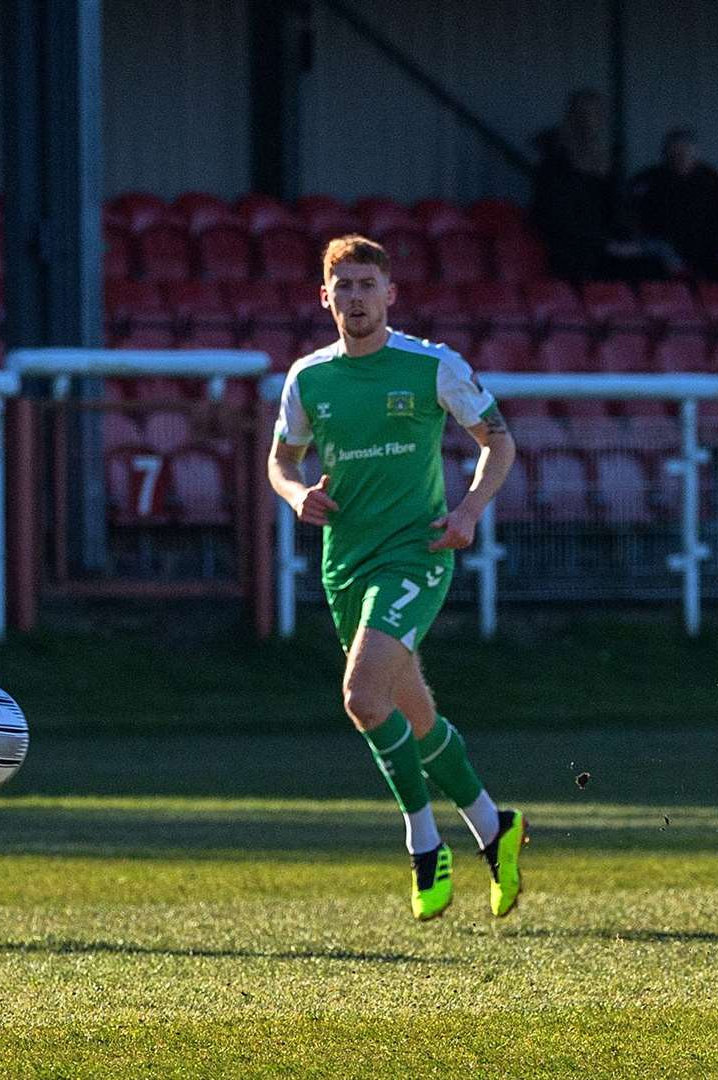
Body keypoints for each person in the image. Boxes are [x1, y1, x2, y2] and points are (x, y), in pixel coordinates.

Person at [268, 234, 526, 921]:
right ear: (324, 297)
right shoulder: (307, 378)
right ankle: (493, 827)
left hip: (415, 554)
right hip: (343, 563)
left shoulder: (432, 366)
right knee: (413, 716)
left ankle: (422, 842)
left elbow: (497, 440)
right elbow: (281, 460)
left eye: (366, 285)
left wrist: (468, 511)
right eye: (342, 286)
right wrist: (297, 496)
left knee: (361, 698)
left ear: (390, 294)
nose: (354, 298)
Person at [530, 89, 671, 282]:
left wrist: (628, 242)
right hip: (575, 251)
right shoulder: (553, 165)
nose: (589, 123)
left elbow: (621, 211)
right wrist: (605, 244)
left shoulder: (609, 164)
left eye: (596, 115)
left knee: (656, 267)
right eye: (583, 115)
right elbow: (557, 218)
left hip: (609, 248)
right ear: (571, 119)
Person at [628, 127, 718, 281]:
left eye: (685, 153)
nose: (680, 158)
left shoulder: (710, 180)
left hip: (705, 245)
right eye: (675, 154)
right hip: (665, 245)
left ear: (695, 154)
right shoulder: (651, 181)